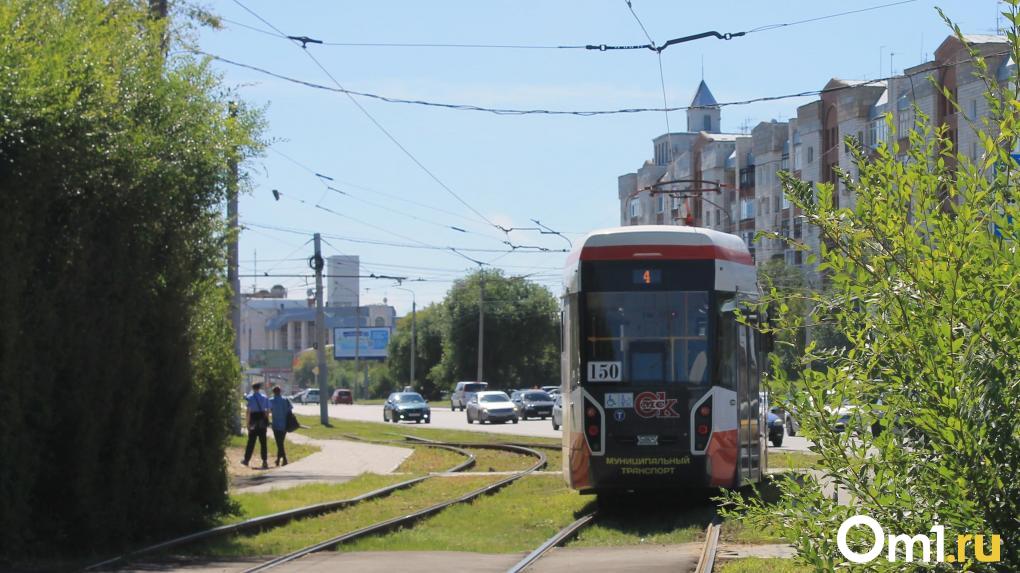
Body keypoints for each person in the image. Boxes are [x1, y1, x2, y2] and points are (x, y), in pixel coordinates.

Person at [242, 382, 271, 469]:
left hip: (253, 420)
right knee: (263, 442)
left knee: (251, 441)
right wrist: (266, 419)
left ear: (253, 388)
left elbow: (248, 412)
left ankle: (246, 460)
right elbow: (267, 410)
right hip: (262, 420)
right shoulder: (264, 397)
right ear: (259, 388)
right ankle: (265, 461)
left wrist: (247, 423)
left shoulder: (250, 398)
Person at [269, 385, 293, 466]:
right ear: (280, 391)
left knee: (279, 443)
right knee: (280, 442)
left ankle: (284, 459)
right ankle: (278, 459)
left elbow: (269, 410)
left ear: (273, 392)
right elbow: (290, 409)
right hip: (285, 424)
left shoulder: (271, 401)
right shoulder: (286, 400)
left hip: (276, 424)